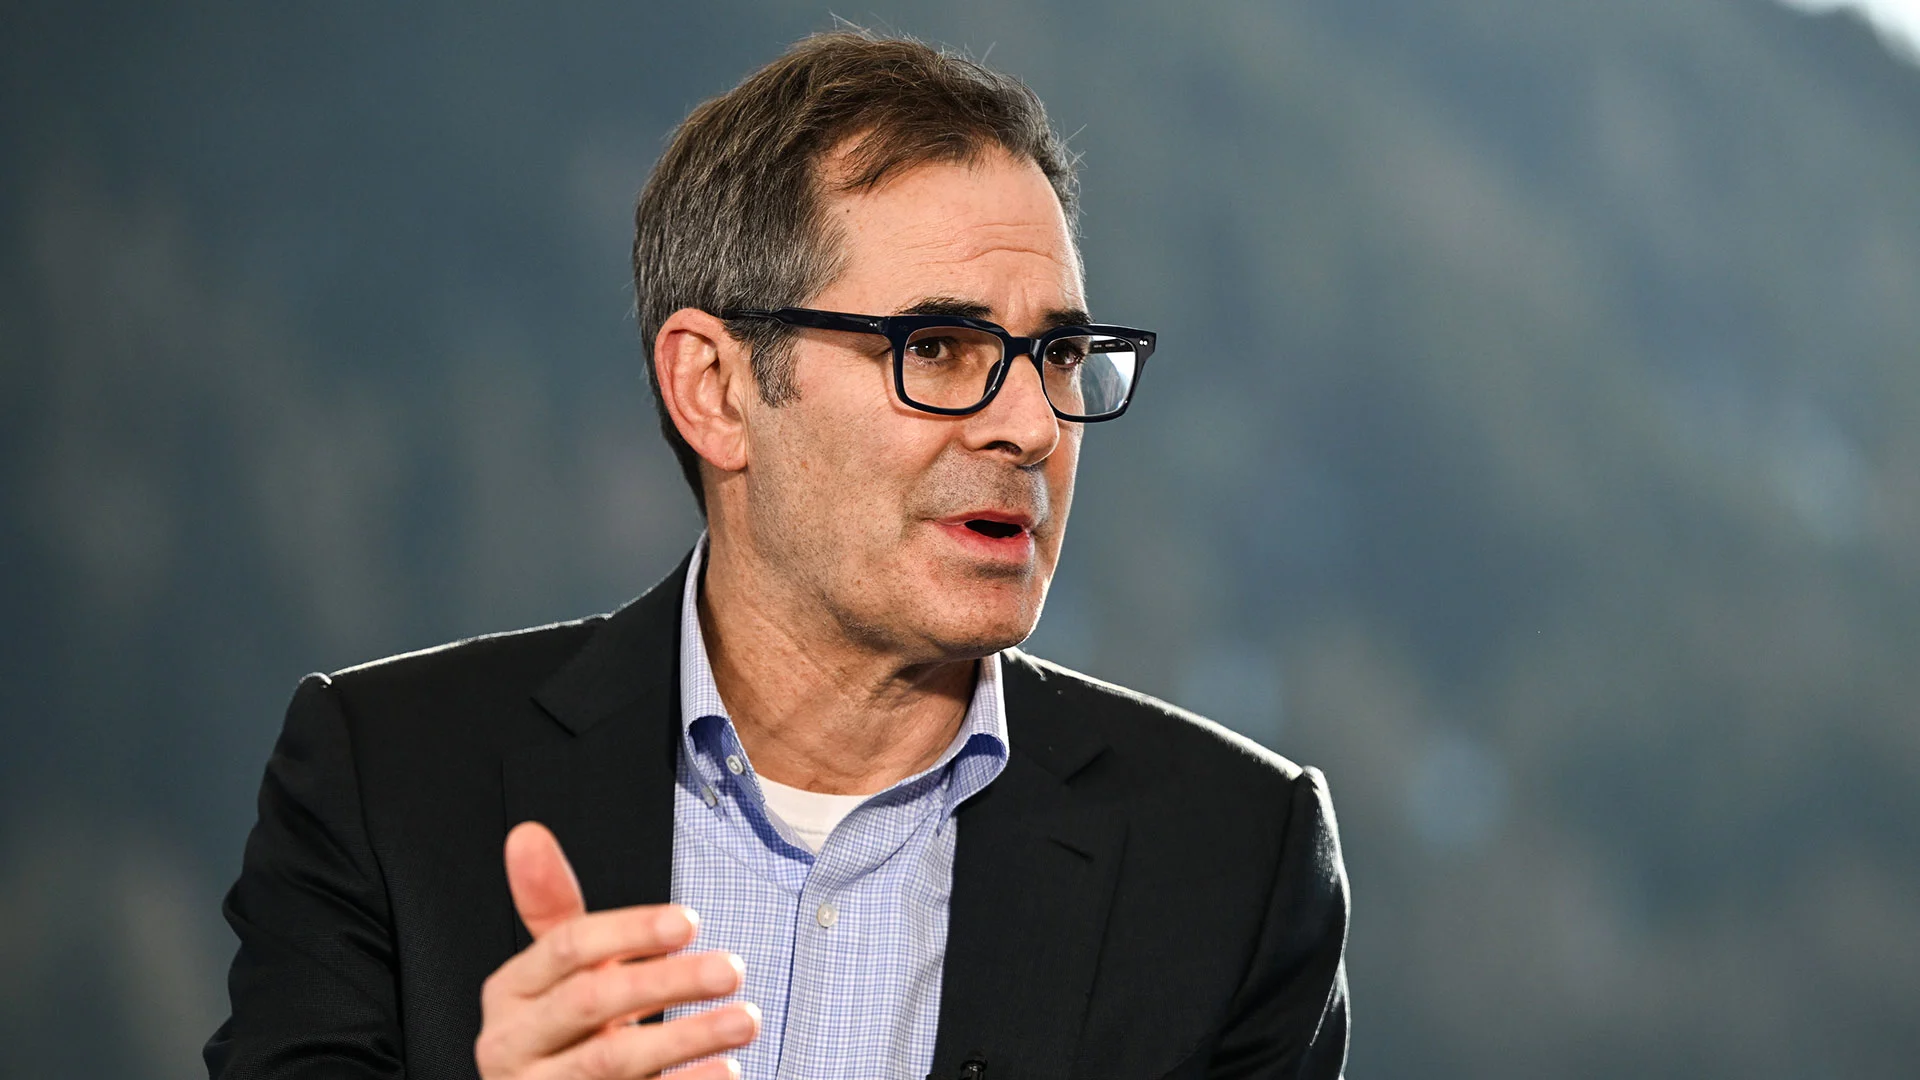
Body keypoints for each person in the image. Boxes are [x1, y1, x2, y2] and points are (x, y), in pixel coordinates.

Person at [205, 30, 1349, 1080]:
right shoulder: (385, 782)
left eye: (1057, 353)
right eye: (938, 347)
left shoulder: (1236, 862)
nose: (1031, 426)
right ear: (714, 388)